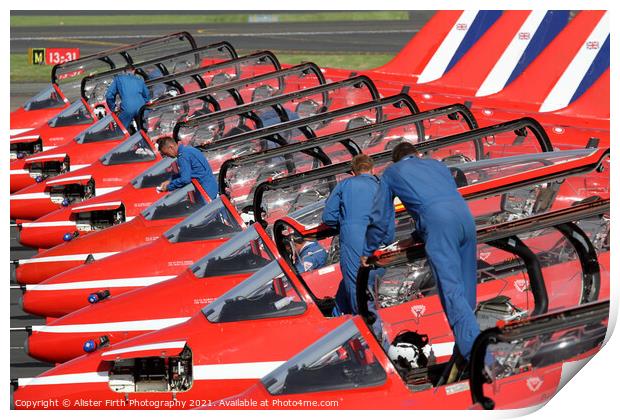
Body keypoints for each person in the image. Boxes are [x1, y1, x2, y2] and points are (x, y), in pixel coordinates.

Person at [361, 142, 480, 361]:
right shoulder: (437, 165)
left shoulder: (391, 172)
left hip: (439, 227)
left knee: (452, 292)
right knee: (467, 290)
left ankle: (477, 358)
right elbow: (441, 199)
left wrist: (369, 248)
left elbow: (381, 216)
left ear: (396, 160)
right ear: (417, 154)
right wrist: (416, 236)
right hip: (466, 219)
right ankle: (463, 352)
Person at [322, 154, 380, 315]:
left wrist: (344, 222)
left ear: (353, 172)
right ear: (372, 169)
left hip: (353, 237)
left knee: (355, 283)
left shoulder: (345, 185)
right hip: (380, 237)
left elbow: (328, 217)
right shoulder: (381, 186)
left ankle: (364, 327)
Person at [105, 65, 150, 130]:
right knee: (143, 131)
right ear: (134, 70)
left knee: (121, 131)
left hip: (127, 107)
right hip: (141, 107)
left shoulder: (118, 79)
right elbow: (147, 95)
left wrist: (113, 107)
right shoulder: (140, 80)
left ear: (124, 71)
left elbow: (109, 95)